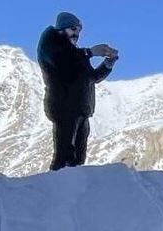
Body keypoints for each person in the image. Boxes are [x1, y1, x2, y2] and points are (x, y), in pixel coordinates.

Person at [37, 12, 119, 171]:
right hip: (63, 105)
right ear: (62, 28)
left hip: (81, 109)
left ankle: (76, 188)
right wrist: (89, 52)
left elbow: (92, 77)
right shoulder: (50, 44)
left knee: (78, 156)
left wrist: (108, 63)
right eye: (73, 29)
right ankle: (56, 187)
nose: (77, 34)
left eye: (79, 31)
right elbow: (62, 59)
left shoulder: (75, 54)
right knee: (65, 153)